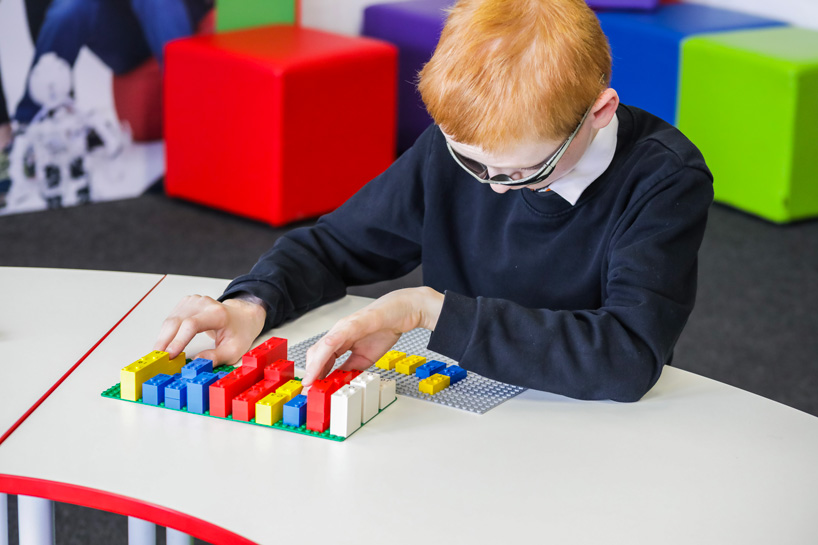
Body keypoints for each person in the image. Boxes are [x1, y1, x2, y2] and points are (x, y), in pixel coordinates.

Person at [155, 0, 714, 403]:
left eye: (524, 170)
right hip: (460, 398)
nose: (493, 187)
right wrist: (251, 304)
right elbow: (334, 246)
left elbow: (626, 356)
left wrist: (430, 311)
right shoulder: (453, 153)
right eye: (472, 161)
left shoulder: (665, 179)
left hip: (584, 419)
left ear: (600, 112)